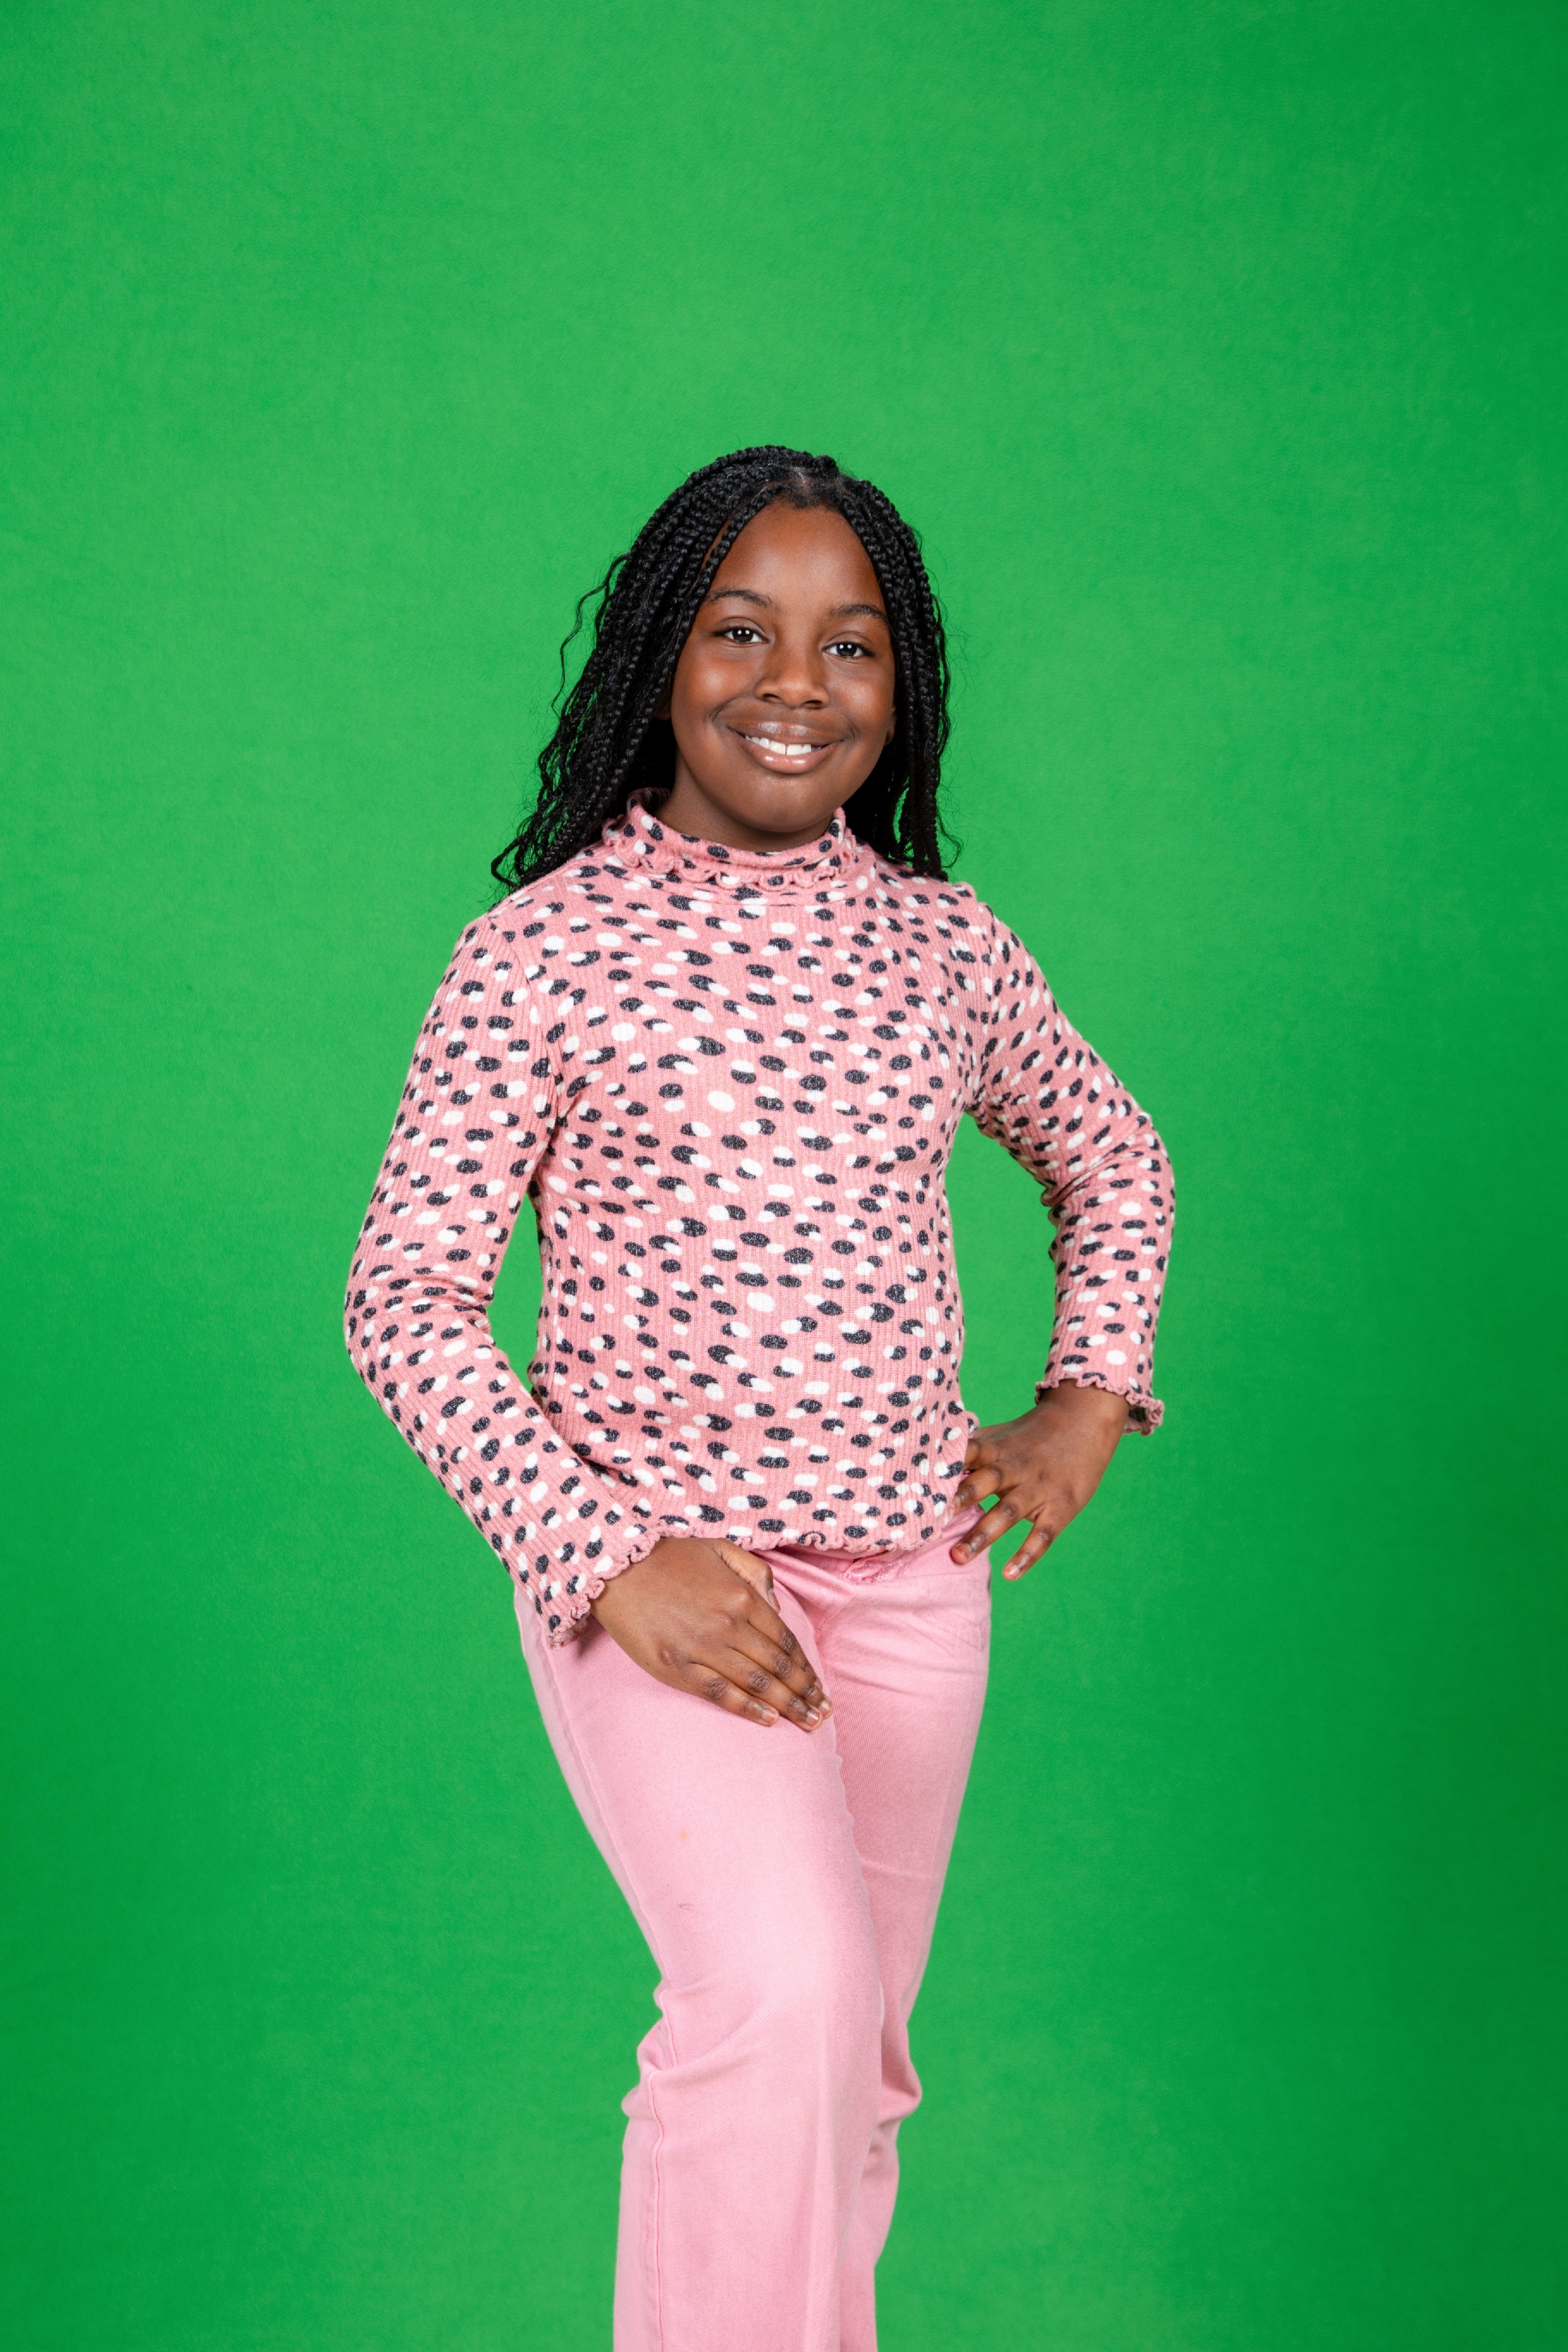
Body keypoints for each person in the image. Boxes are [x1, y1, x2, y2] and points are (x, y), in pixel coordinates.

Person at [344, 446, 1174, 2351]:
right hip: (671, 1586)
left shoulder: (943, 946)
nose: (795, 683)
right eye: (740, 632)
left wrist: (1090, 1394)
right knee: (775, 2008)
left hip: (909, 1591)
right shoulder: (541, 953)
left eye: (850, 645)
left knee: (849, 2077)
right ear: (659, 657)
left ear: (904, 685)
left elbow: (1115, 1156)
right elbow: (405, 1300)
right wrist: (605, 1558)